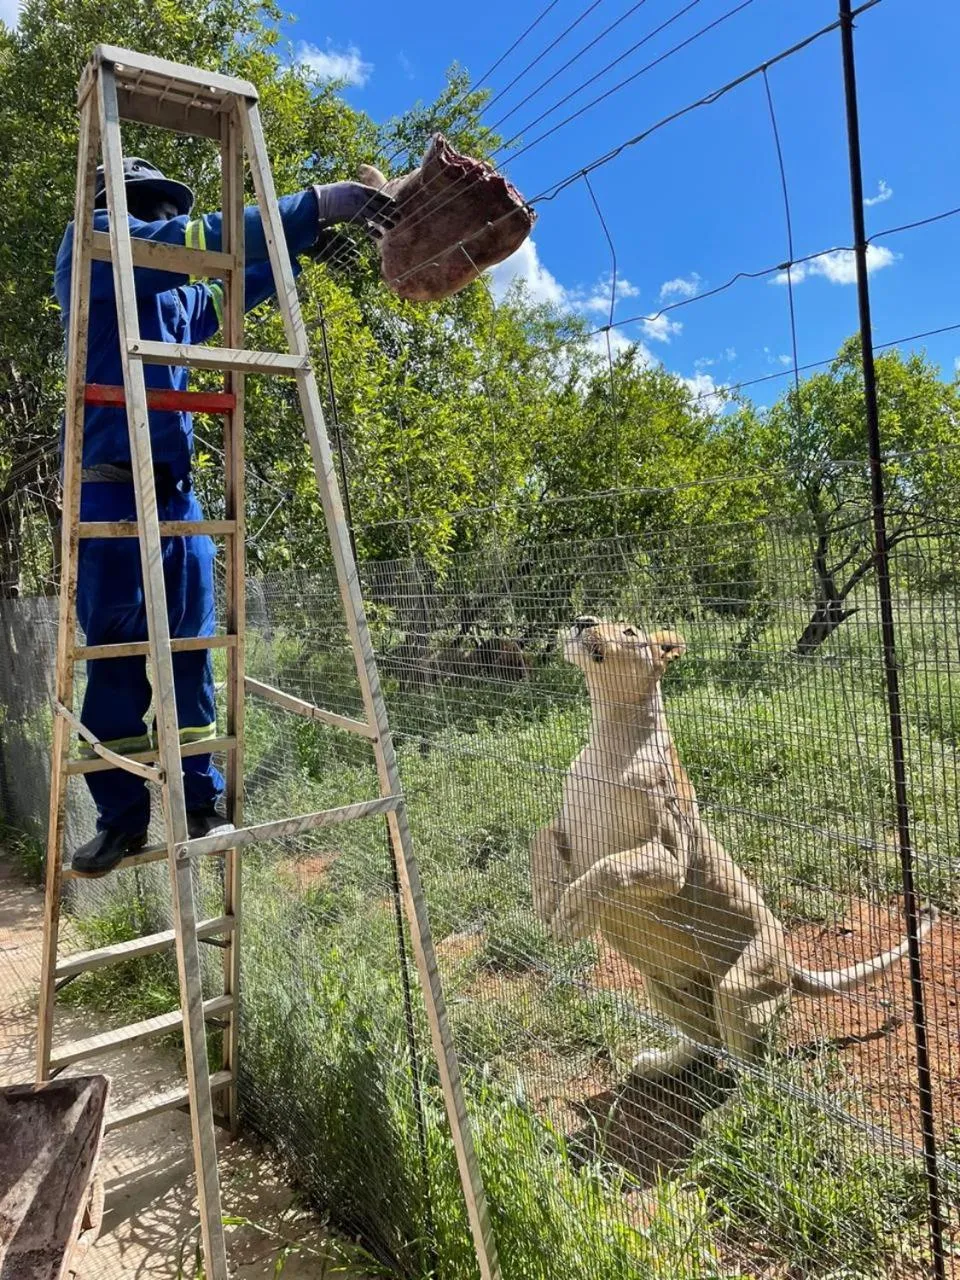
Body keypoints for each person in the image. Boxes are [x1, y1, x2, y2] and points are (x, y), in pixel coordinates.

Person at [54, 157, 396, 874]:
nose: (150, 217)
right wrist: (312, 205)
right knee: (115, 666)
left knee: (191, 654)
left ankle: (202, 800)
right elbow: (194, 240)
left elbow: (236, 289)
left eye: (157, 206)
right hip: (109, 494)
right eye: (142, 205)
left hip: (176, 497)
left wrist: (293, 248)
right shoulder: (91, 247)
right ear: (113, 204)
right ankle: (122, 820)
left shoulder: (172, 300)